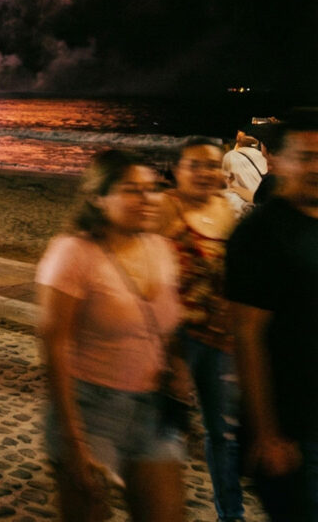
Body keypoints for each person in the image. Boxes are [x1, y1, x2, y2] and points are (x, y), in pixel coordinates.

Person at [36, 149, 186, 522]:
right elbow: (54, 346)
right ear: (99, 198)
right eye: (131, 190)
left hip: (153, 411)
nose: (147, 198)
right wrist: (74, 441)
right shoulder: (73, 254)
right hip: (90, 410)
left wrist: (178, 367)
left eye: (151, 188)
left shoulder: (162, 249)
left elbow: (168, 324)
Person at [226, 109, 318, 521]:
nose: (316, 168)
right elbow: (247, 335)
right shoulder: (260, 234)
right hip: (294, 432)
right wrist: (267, 434)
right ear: (277, 161)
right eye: (306, 156)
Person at [156, 137, 243, 522]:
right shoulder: (164, 209)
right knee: (167, 432)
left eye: (212, 165)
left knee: (222, 434)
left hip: (219, 342)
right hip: (174, 342)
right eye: (195, 164)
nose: (205, 173)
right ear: (177, 169)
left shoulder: (227, 210)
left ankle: (231, 514)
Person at [223, 123, 269, 213]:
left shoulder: (230, 156)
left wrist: (232, 188)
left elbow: (225, 181)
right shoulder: (261, 155)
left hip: (246, 203)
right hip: (261, 201)